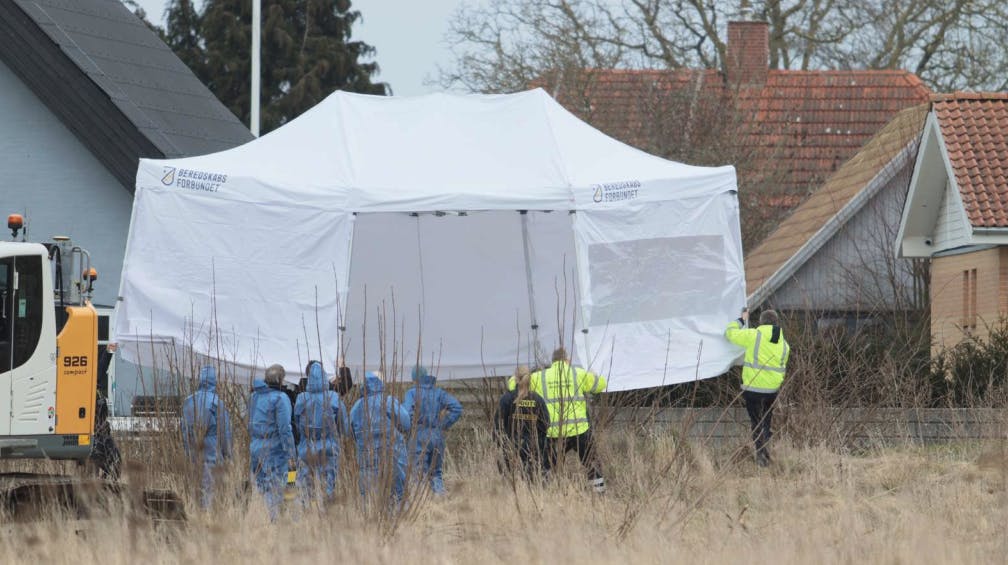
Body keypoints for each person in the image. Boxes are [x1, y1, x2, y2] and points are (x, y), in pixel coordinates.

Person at [509, 347, 607, 492]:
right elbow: (600, 385)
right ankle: (599, 493)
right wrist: (593, 374)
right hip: (579, 430)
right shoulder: (577, 373)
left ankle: (548, 494)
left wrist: (515, 376)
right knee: (591, 462)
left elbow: (514, 387)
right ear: (567, 360)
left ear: (553, 361)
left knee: (548, 465)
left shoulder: (539, 377)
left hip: (552, 432)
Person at [725, 308, 790, 467]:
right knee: (765, 422)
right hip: (771, 391)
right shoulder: (784, 344)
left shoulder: (754, 335)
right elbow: (783, 368)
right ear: (776, 323)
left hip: (753, 389)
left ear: (761, 322)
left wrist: (741, 320)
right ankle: (765, 453)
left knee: (756, 421)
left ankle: (761, 457)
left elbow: (729, 333)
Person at [350, 372, 411, 505]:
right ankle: (401, 522)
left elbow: (352, 433)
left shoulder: (356, 407)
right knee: (398, 494)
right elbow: (406, 423)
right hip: (393, 454)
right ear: (381, 383)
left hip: (367, 456)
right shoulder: (388, 401)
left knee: (369, 498)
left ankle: (372, 523)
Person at [294, 361, 350, 501]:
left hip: (306, 447)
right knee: (328, 483)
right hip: (329, 446)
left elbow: (295, 423)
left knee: (305, 484)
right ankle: (326, 513)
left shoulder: (301, 398)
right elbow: (344, 426)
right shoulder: (334, 397)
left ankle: (306, 514)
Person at [403, 366, 463, 495]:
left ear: (414, 378)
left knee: (418, 474)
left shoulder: (411, 393)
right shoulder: (439, 393)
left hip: (418, 436)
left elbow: (406, 413)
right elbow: (457, 408)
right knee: (436, 473)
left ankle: (424, 505)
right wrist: (442, 425)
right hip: (437, 436)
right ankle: (441, 503)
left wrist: (410, 426)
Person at [181, 365, 233, 509]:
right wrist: (228, 455)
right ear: (214, 382)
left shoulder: (188, 401)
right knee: (211, 488)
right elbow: (225, 432)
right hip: (212, 449)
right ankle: (208, 519)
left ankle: (196, 515)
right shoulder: (217, 403)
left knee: (196, 485)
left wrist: (188, 451)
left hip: (194, 450)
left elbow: (184, 429)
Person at [248, 364, 296, 518]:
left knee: (262, 488)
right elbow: (285, 429)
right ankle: (276, 522)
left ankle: (264, 519)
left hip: (255, 448)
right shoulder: (281, 398)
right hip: (274, 450)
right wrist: (291, 455)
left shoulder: (254, 397)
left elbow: (250, 422)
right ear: (281, 379)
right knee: (278, 486)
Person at [494, 365, 550, 480]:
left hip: (511, 447)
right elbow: (546, 424)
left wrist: (501, 444)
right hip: (534, 447)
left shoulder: (506, 399)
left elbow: (498, 425)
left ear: (515, 378)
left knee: (513, 480)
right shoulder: (537, 399)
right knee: (534, 480)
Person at [91, 343, 121, 480]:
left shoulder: (97, 390)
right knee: (97, 464)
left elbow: (100, 370)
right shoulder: (87, 389)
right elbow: (100, 370)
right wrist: (108, 353)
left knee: (116, 463)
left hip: (103, 433)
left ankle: (104, 487)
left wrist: (109, 352)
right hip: (95, 435)